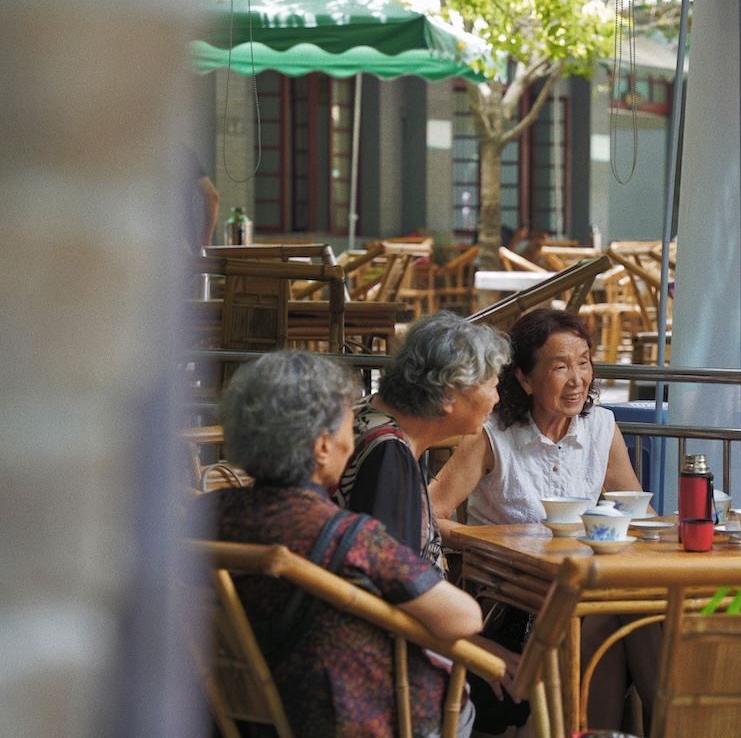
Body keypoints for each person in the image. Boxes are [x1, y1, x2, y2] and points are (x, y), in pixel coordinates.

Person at [212, 350, 484, 737]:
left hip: (231, 715)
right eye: (346, 427)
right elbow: (464, 618)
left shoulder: (202, 516)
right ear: (322, 447)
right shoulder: (347, 536)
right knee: (464, 706)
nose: (352, 441)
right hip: (340, 718)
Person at [430, 307, 653, 733]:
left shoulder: (601, 427)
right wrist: (490, 541)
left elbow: (635, 513)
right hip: (512, 605)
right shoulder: (494, 433)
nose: (577, 379)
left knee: (636, 613)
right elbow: (430, 512)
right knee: (613, 619)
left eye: (584, 362)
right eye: (560, 366)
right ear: (525, 378)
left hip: (581, 593)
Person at [333, 312, 511, 575]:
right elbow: (388, 576)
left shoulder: (367, 413)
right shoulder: (387, 452)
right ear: (449, 393)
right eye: (493, 385)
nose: (496, 399)